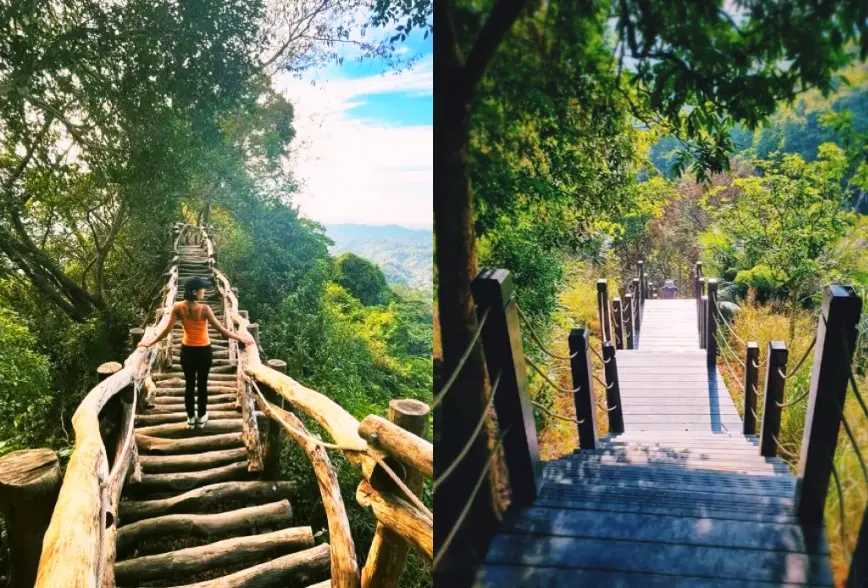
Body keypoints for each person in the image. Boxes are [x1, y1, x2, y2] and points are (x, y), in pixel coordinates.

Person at [138, 277, 253, 429]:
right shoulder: (204, 309)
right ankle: (201, 417)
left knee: (190, 386)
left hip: (187, 351)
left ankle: (190, 418)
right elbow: (222, 330)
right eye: (202, 289)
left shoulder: (178, 307)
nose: (204, 292)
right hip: (204, 351)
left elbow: (166, 330)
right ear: (194, 291)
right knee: (202, 385)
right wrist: (241, 338)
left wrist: (149, 342)